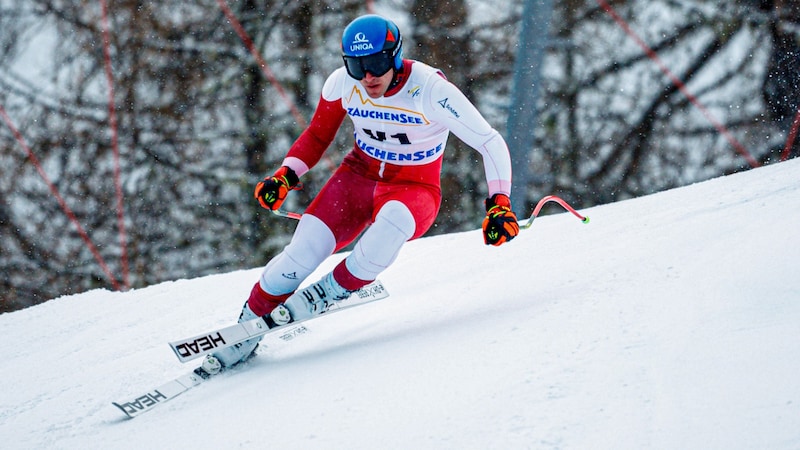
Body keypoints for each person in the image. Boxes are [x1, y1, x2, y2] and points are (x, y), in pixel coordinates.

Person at [206, 14, 519, 371]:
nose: (368, 76)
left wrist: (499, 204)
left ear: (395, 56)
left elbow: (489, 142)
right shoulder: (343, 83)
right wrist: (285, 175)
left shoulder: (431, 90)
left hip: (413, 188)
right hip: (357, 178)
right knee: (299, 254)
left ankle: (332, 290)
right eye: (357, 65)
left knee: (390, 226)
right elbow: (318, 135)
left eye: (376, 63)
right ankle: (244, 332)